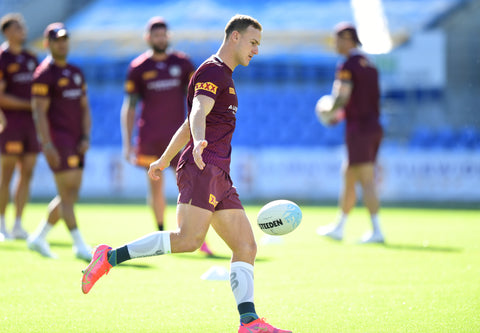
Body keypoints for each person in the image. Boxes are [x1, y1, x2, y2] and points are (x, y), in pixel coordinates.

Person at [82, 14, 291, 333]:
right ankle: (109, 257)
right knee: (189, 239)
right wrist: (197, 143)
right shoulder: (212, 70)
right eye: (253, 42)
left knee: (246, 247)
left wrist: (164, 159)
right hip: (203, 166)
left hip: (219, 173)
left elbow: (186, 122)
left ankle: (249, 322)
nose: (256, 50)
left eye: (258, 44)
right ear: (234, 37)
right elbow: (197, 113)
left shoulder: (224, 76)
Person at [121, 17, 213, 255]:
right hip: (150, 137)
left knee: (189, 186)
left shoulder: (182, 64)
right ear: (148, 38)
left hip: (180, 136)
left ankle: (195, 236)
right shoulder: (138, 68)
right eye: (155, 35)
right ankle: (162, 232)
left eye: (163, 34)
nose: (160, 38)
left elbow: (197, 100)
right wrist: (127, 142)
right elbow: (129, 107)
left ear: (168, 36)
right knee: (155, 188)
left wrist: (201, 128)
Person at [27, 22, 92, 260]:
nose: (62, 43)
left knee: (70, 194)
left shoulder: (76, 71)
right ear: (48, 44)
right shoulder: (44, 73)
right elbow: (39, 112)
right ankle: (79, 244)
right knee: (67, 194)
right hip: (58, 140)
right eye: (57, 40)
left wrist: (86, 136)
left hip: (76, 139)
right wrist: (47, 144)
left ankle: (38, 237)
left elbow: (84, 108)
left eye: (65, 39)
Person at [317, 22, 385, 244]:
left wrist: (328, 112)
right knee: (348, 176)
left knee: (366, 179)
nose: (335, 44)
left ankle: (377, 230)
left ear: (347, 39)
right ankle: (340, 226)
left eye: (337, 39)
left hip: (360, 129)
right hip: (373, 126)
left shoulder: (347, 65)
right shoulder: (370, 65)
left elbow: (342, 97)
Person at [0, 13, 40, 240]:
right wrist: (28, 105)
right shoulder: (3, 58)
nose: (22, 32)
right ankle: (1, 224)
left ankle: (18, 224)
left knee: (27, 173)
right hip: (11, 124)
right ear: (7, 32)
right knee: (6, 175)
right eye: (17, 28)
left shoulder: (30, 58)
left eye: (23, 28)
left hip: (30, 125)